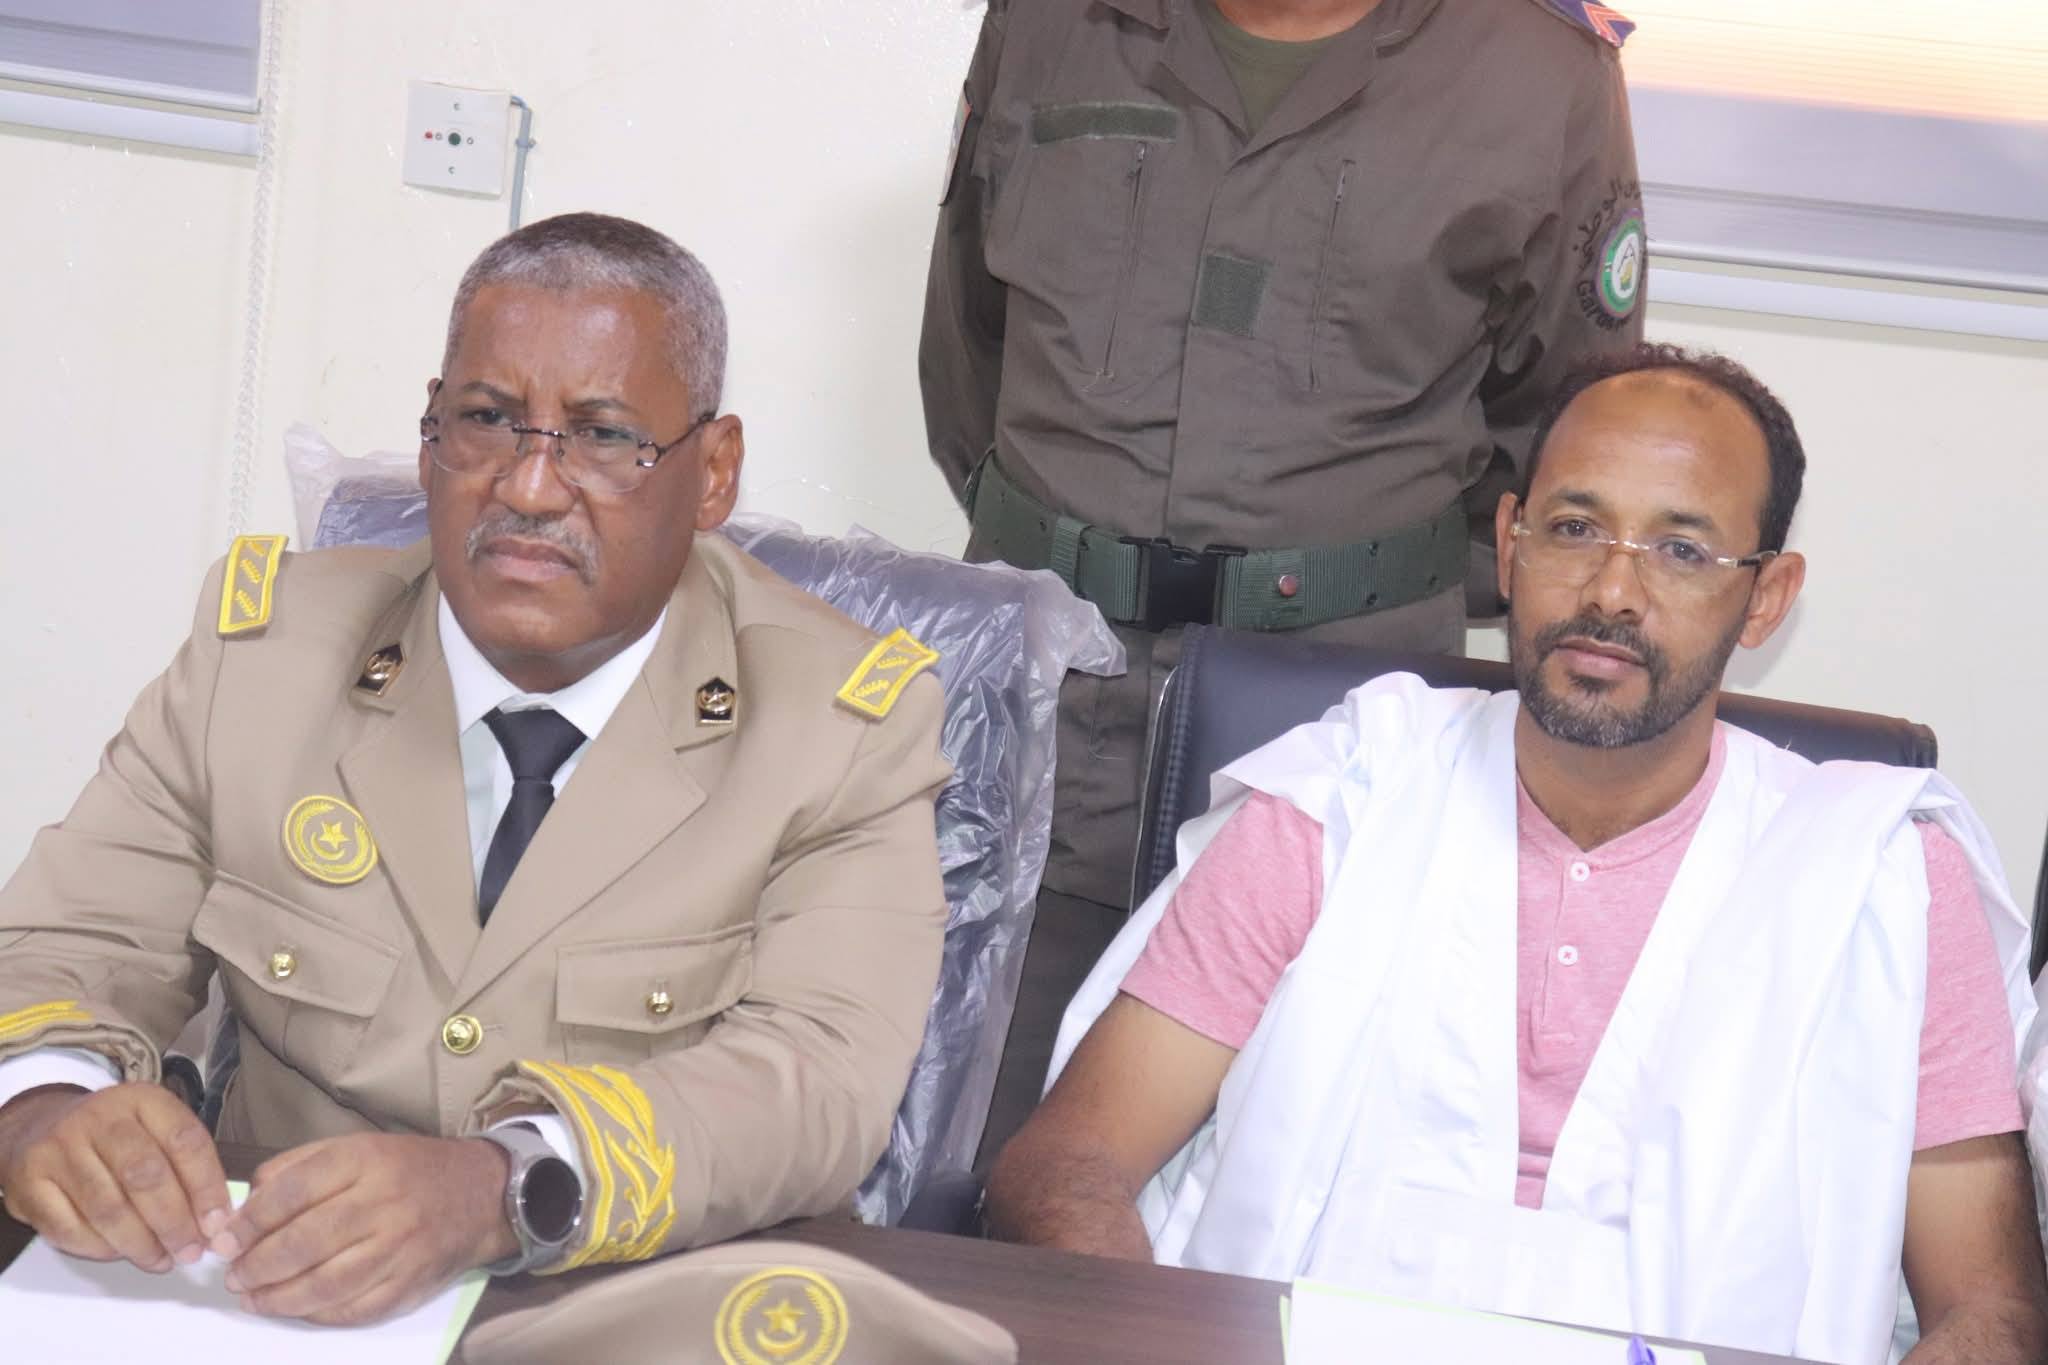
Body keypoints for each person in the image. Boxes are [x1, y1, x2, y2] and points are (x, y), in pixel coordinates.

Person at [985, 344, 2048, 1362]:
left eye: (1680, 550)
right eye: (1574, 528)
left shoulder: (1883, 881)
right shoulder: (1341, 800)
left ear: (1765, 596)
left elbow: (1990, 1314)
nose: (1611, 593)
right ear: (1508, 543)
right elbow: (1069, 1164)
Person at [0, 213, 951, 1325]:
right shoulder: (260, 657)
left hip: (625, 1311)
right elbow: (70, 942)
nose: (530, 488)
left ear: (712, 472)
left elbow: (818, 1084)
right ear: (429, 437)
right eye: (488, 420)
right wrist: (46, 1105)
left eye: (603, 436)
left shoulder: (836, 726)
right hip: (257, 1293)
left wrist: (502, 1183)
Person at [920, 0, 1650, 1154]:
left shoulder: (1536, 68)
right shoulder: (1049, 19)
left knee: (1281, 1170)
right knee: (968, 1149)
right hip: (1042, 710)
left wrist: (1333, 575)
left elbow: (1560, 440)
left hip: (1332, 724)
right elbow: (966, 352)